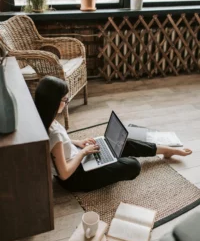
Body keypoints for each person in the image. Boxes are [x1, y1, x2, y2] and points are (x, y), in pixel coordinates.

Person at [35, 76, 192, 192]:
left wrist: (78, 143)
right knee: (133, 165)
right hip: (76, 178)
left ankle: (167, 150)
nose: (67, 101)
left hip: (77, 158)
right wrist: (83, 153)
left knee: (122, 142)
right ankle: (109, 159)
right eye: (64, 99)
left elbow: (59, 144)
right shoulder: (53, 131)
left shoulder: (44, 119)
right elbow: (64, 174)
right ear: (54, 102)